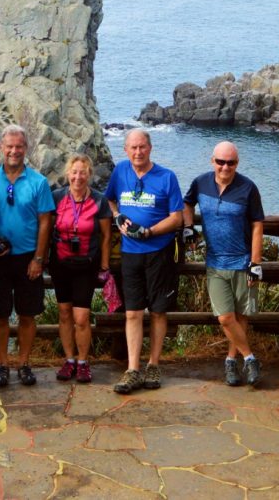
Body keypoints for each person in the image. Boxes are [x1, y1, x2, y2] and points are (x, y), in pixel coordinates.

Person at [105, 128, 184, 394]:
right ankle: (132, 369)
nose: (138, 152)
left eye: (142, 147)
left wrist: (150, 231)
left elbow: (177, 217)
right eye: (133, 148)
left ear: (150, 148)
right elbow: (111, 200)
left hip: (159, 251)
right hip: (130, 253)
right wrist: (117, 216)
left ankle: (153, 364)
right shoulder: (120, 172)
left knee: (159, 311)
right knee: (132, 312)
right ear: (125, 150)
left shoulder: (166, 176)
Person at [183, 141, 266, 387]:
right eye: (220, 162)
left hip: (242, 262)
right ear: (213, 161)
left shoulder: (248, 187)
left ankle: (231, 361)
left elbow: (258, 225)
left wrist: (255, 262)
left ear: (237, 163)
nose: (225, 167)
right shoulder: (201, 183)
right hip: (215, 263)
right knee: (225, 318)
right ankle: (250, 358)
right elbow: (187, 202)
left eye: (230, 162)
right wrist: (189, 227)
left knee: (240, 317)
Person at [0, 125, 55, 388]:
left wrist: (39, 259)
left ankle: (24, 363)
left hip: (28, 259)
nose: (14, 151)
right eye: (9, 146)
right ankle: (2, 364)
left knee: (27, 314)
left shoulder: (39, 182)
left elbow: (46, 222)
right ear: (1, 147)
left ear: (26, 148)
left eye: (19, 146)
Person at [50, 154, 112, 384]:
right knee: (64, 314)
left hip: (86, 265)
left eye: (83, 172)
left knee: (82, 317)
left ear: (89, 175)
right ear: (67, 174)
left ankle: (84, 362)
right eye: (74, 172)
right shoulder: (56, 197)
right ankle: (69, 360)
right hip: (60, 264)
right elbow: (45, 227)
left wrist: (104, 265)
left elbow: (106, 236)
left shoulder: (99, 200)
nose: (78, 177)